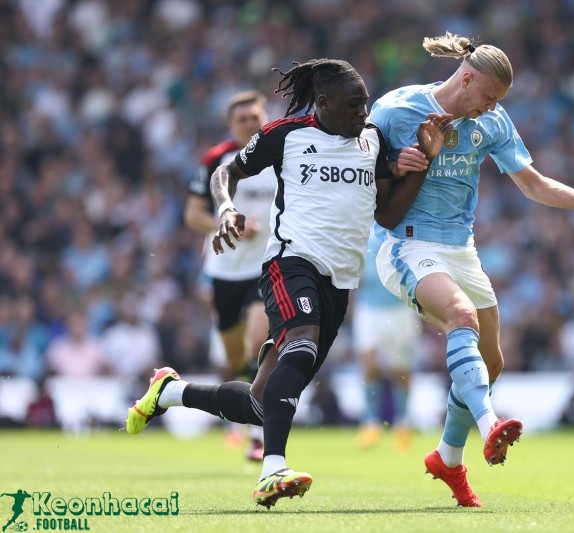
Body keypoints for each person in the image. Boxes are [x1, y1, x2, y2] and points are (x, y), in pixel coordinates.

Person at [125, 58, 451, 509]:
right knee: (301, 345)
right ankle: (272, 468)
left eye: (366, 102)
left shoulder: (372, 140)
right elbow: (226, 173)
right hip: (290, 261)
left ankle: (170, 392)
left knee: (263, 403)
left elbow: (388, 214)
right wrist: (224, 208)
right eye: (355, 105)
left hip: (340, 282)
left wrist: (421, 166)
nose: (364, 111)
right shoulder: (286, 134)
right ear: (323, 103)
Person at [368, 32, 574, 507]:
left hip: (460, 249)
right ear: (466, 78)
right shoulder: (397, 108)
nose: (492, 108)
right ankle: (492, 426)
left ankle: (447, 459)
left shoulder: (491, 121)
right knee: (461, 316)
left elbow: (532, 184)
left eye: (499, 102)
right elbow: (360, 168)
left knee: (492, 364)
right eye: (489, 97)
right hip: (404, 245)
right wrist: (393, 162)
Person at [184, 90, 276, 461]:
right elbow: (192, 216)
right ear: (230, 125)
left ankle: (258, 435)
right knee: (235, 357)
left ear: (264, 117)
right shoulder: (215, 160)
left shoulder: (283, 153)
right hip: (225, 271)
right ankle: (242, 417)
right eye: (243, 119)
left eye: (255, 117)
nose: (250, 124)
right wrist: (227, 223)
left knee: (258, 342)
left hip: (267, 266)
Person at [354, 228, 421, 452]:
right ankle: (371, 423)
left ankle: (403, 423)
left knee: (400, 370)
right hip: (369, 307)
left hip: (400, 308)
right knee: (369, 364)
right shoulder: (365, 228)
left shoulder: (403, 228)